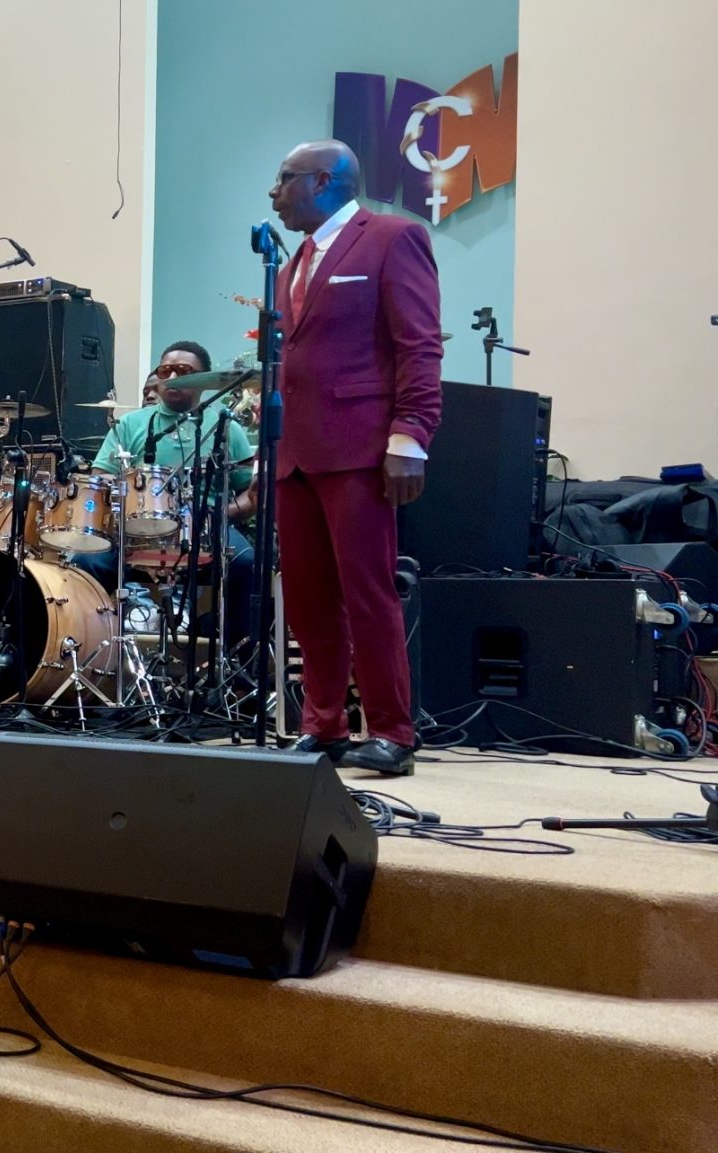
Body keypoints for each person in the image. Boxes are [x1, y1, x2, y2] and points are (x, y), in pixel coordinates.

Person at [269, 139, 441, 775]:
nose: (274, 192)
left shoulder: (393, 238)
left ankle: (392, 731)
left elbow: (419, 346)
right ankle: (324, 726)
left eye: (284, 178)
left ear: (323, 181)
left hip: (361, 449)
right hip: (294, 454)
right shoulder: (291, 264)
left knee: (368, 593)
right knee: (308, 599)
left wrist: (410, 436)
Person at [74, 341, 258, 647]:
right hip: (134, 530)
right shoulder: (131, 424)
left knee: (246, 562)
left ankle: (235, 656)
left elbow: (247, 493)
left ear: (204, 380)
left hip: (205, 527)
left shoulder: (226, 427)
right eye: (165, 370)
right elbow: (100, 477)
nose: (171, 377)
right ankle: (94, 649)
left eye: (183, 371)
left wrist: (221, 515)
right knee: (85, 561)